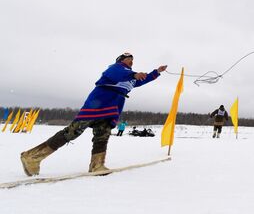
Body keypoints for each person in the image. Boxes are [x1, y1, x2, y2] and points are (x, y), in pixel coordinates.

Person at [20, 53, 167, 176]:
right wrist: (134, 74)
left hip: (111, 109)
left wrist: (157, 72)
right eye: (128, 58)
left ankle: (97, 165)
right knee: (71, 132)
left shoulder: (130, 78)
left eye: (132, 59)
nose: (131, 60)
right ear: (121, 60)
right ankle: (32, 157)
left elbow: (143, 79)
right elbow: (118, 73)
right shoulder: (115, 69)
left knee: (102, 136)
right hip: (97, 105)